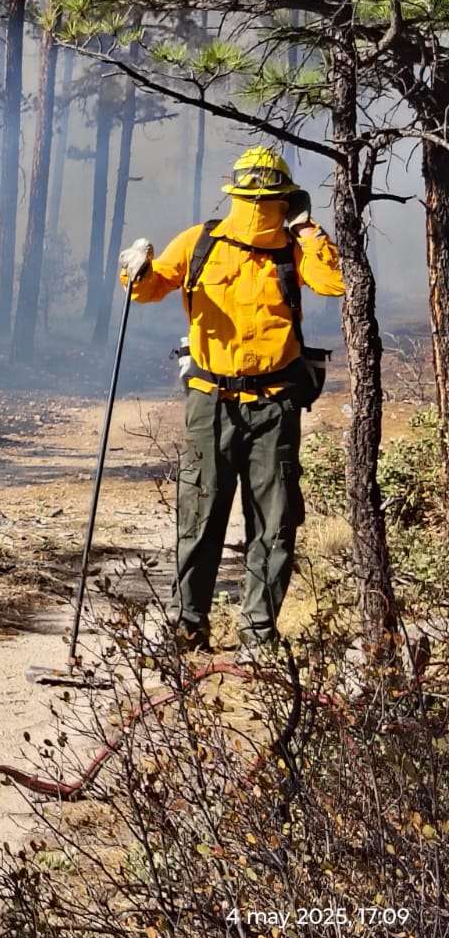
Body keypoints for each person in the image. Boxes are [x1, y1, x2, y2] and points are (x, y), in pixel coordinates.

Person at [118, 146, 343, 657]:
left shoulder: (294, 247)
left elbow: (333, 281)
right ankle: (188, 629)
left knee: (275, 519)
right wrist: (136, 268)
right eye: (256, 200)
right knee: (200, 515)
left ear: (285, 202)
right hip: (210, 399)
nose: (261, 211)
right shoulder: (201, 241)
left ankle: (258, 636)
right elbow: (149, 289)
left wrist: (307, 229)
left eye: (270, 202)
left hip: (276, 403)